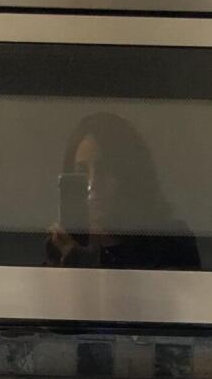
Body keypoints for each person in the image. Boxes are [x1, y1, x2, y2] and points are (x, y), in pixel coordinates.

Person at [46, 111, 202, 270]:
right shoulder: (63, 245)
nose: (92, 184)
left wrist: (89, 269)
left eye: (105, 169)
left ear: (130, 175)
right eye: (81, 172)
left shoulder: (172, 242)